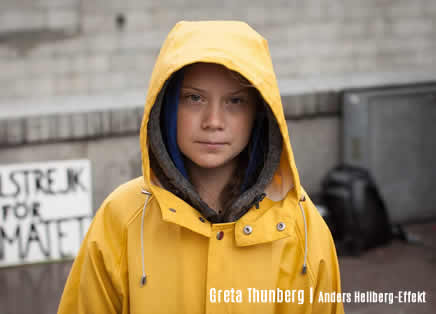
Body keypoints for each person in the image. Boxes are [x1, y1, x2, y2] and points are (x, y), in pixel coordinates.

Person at [57, 20, 344, 314]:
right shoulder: (122, 218)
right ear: (167, 106)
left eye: (235, 101)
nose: (213, 121)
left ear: (259, 113)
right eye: (194, 98)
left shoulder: (300, 225)